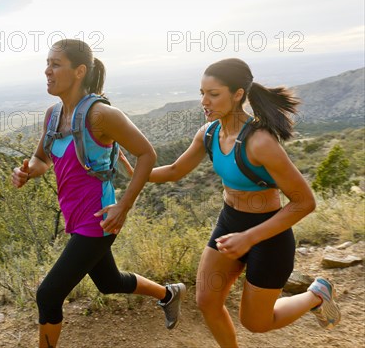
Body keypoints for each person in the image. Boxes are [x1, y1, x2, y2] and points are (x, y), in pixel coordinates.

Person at [121, 58, 340, 347]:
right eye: (202, 93)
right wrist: (130, 169)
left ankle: (316, 294)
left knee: (256, 323)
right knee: (207, 301)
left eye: (213, 94)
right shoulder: (209, 133)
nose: (204, 101)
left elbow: (304, 202)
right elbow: (175, 171)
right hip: (230, 222)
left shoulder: (260, 142)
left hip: (268, 234)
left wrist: (249, 238)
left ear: (238, 95)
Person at [11, 39, 186, 348]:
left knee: (48, 294)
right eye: (47, 63)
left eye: (55, 64)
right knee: (109, 282)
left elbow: (147, 155)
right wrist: (27, 171)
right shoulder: (53, 114)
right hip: (75, 217)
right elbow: (43, 159)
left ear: (79, 71)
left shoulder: (101, 115)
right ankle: (169, 293)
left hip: (99, 218)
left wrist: (124, 206)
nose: (47, 71)